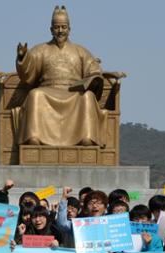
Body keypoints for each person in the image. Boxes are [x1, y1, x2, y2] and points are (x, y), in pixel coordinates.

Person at [14, 6, 108, 147]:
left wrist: (94, 79)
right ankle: (34, 137)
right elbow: (28, 71)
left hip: (74, 91)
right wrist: (23, 57)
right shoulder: (41, 49)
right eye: (57, 27)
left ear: (69, 29)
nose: (60, 31)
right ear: (51, 29)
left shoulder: (81, 51)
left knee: (88, 96)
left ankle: (87, 138)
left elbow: (94, 70)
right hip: (48, 90)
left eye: (64, 27)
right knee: (35, 94)